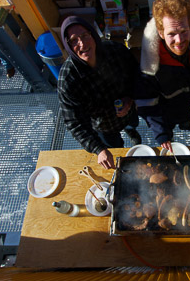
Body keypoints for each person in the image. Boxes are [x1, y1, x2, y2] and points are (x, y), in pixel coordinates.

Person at [135, 0, 190, 153]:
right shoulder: (151, 63)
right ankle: (171, 133)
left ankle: (188, 125)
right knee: (168, 131)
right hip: (168, 112)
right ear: (160, 32)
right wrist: (161, 134)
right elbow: (147, 102)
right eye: (171, 34)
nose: (179, 40)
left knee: (187, 120)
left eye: (184, 31)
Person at [58, 16, 142, 170]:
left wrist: (131, 99)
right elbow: (74, 122)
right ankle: (119, 144)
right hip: (103, 126)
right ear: (68, 46)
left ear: (93, 34)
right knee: (115, 147)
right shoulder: (68, 79)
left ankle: (132, 133)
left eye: (84, 35)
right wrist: (98, 149)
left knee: (132, 125)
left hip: (129, 111)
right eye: (74, 40)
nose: (82, 44)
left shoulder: (116, 51)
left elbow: (137, 76)